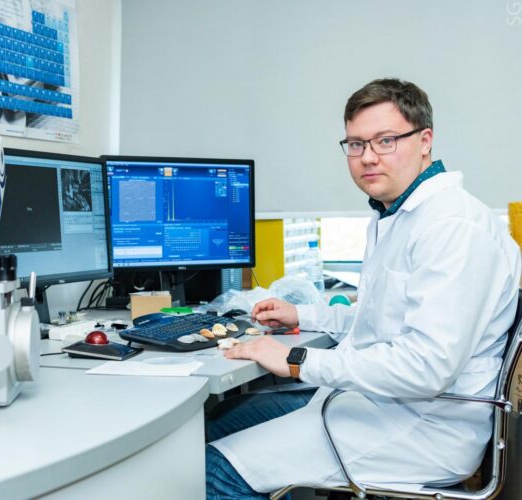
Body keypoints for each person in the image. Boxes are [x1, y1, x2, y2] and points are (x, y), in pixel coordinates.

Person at [206, 78, 522, 499]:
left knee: (212, 470)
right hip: (376, 402)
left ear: (425, 141)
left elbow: (426, 367)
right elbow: (382, 317)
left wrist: (297, 359)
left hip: (423, 428)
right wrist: (303, 315)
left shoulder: (453, 227)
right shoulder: (398, 213)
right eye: (356, 144)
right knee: (220, 420)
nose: (367, 157)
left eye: (385, 141)